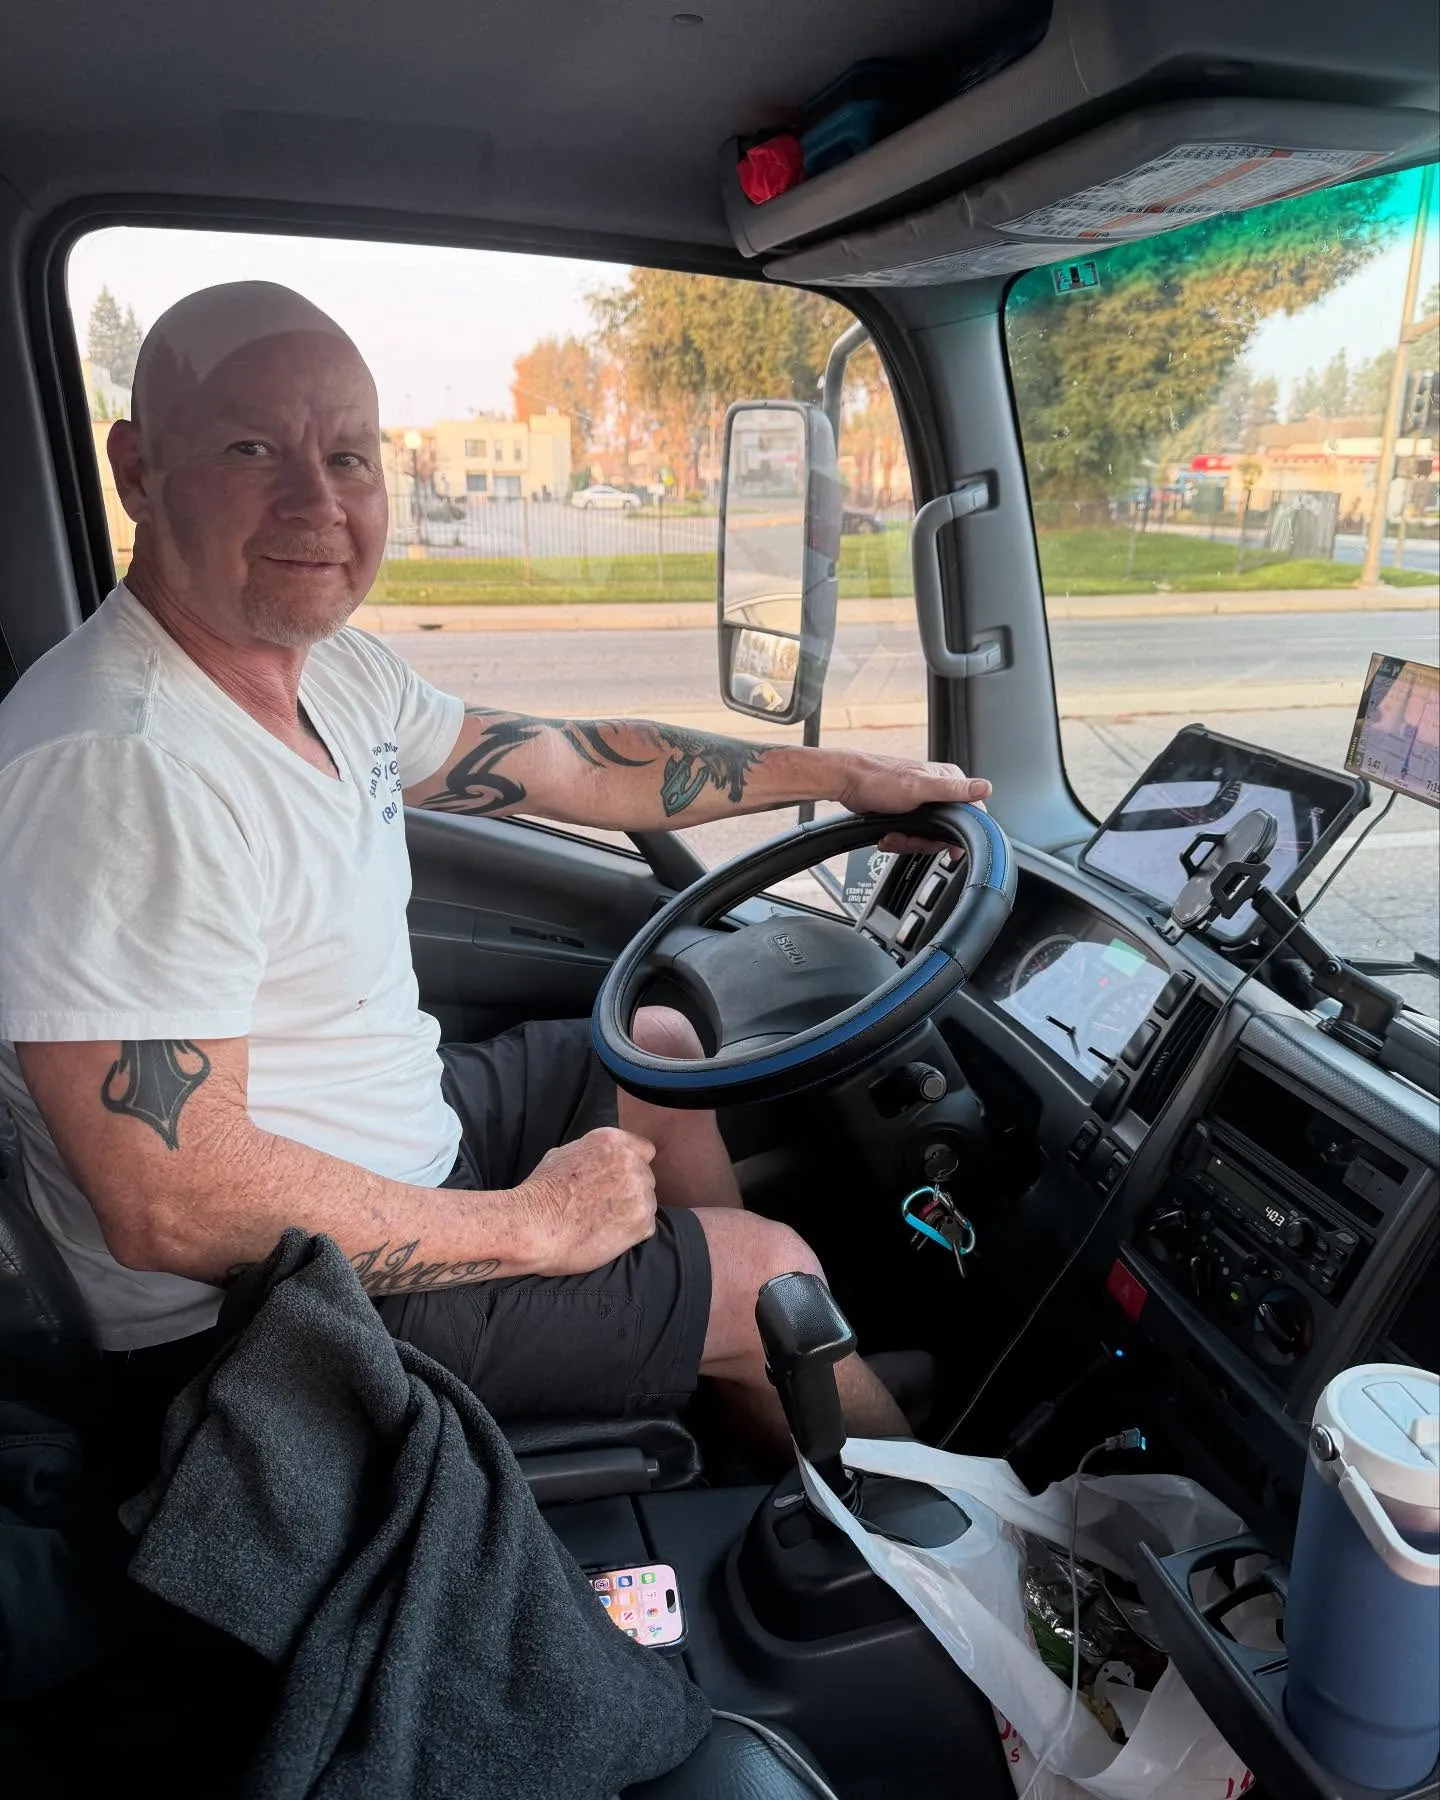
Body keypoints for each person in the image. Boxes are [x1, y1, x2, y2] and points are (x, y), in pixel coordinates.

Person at [0, 282, 990, 1468]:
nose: (317, 501)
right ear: (139, 469)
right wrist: (528, 1230)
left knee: (660, 1051)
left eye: (350, 457)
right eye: (253, 447)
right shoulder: (120, 764)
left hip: (380, 1148)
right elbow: (171, 1201)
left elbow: (573, 764)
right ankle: (933, 1538)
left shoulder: (327, 672)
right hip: (241, 1323)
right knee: (770, 1272)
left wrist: (838, 774)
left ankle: (718, 1397)